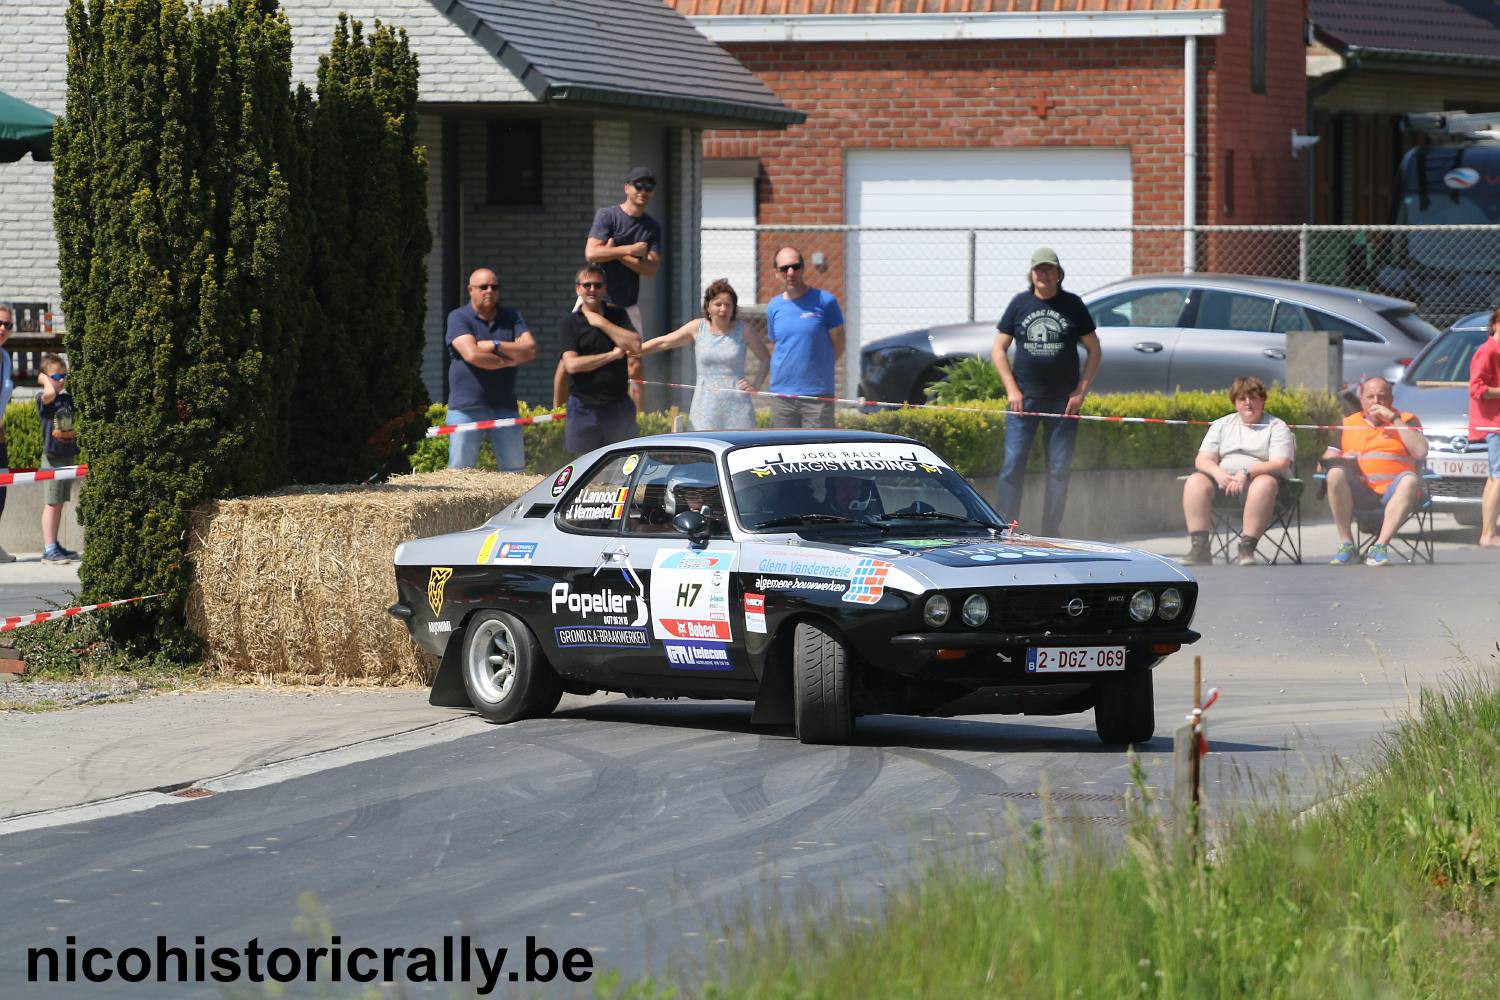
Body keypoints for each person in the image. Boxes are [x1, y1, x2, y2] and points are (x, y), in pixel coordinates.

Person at [991, 247, 1102, 536]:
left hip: (1063, 402)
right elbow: (998, 349)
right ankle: (1007, 529)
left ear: (1058, 273)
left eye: (1049, 269)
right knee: (1013, 466)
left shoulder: (1073, 305)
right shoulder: (1019, 304)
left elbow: (1094, 350)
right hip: (1023, 401)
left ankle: (1051, 530)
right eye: (1039, 269)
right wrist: (1011, 389)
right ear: (1031, 274)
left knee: (1058, 470)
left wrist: (1081, 392)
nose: (1044, 274)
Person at [558, 166, 662, 411]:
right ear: (627, 187)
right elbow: (592, 252)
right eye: (639, 185)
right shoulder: (608, 216)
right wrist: (631, 251)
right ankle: (559, 413)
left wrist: (615, 252)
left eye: (649, 187)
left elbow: (651, 269)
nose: (643, 191)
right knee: (567, 362)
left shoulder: (651, 227)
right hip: (592, 302)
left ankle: (639, 418)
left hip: (626, 304)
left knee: (634, 362)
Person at [1180, 376, 1295, 566]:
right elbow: (1202, 459)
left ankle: (1247, 547)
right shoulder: (1221, 425)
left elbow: (1280, 463)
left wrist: (1246, 473)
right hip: (1223, 485)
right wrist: (1218, 473)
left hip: (1264, 489)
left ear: (1263, 400)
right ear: (1235, 403)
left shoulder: (1277, 427)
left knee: (1265, 483)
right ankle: (1199, 547)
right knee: (1195, 481)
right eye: (1242, 399)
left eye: (1253, 398)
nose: (1248, 403)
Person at [1323, 375, 1428, 566]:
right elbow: (1326, 459)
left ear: (1391, 400)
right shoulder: (1348, 423)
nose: (1376, 402)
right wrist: (1343, 461)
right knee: (1334, 473)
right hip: (1359, 494)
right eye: (1370, 397)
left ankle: (1380, 546)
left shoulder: (1407, 420)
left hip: (1394, 493)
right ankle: (1346, 544)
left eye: (1382, 397)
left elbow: (1420, 451)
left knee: (1410, 480)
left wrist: (1394, 419)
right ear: (1361, 400)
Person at [639, 279, 769, 430]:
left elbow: (765, 358)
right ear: (708, 307)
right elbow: (665, 342)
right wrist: (636, 350)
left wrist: (755, 385)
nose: (723, 309)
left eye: (728, 305)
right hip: (705, 406)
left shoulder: (744, 329)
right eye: (718, 304)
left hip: (738, 406)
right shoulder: (697, 327)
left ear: (734, 308)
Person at [444, 268, 537, 471]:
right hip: (466, 408)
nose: (489, 291)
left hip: (504, 405)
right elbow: (472, 355)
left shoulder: (512, 317)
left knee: (514, 472)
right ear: (470, 289)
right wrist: (509, 360)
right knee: (460, 472)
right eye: (483, 287)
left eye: (494, 287)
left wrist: (495, 344)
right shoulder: (459, 318)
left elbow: (530, 351)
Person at [561, 264, 642, 455]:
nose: (592, 290)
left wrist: (601, 323)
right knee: (584, 468)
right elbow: (572, 364)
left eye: (598, 285)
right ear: (578, 289)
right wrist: (611, 356)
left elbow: (636, 345)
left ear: (605, 288)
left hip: (618, 406)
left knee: (622, 467)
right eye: (587, 285)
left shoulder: (618, 315)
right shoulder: (570, 323)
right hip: (583, 408)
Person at [765, 246, 845, 429]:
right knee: (783, 451)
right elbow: (777, 344)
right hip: (782, 396)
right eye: (784, 268)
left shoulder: (825, 301)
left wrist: (822, 366)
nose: (791, 272)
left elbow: (839, 341)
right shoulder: (773, 306)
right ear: (776, 273)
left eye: (796, 266)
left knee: (818, 452)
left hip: (817, 395)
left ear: (803, 268)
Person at [35, 354, 81, 563]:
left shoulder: (66, 397)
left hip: (67, 456)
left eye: (64, 375)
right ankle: (48, 548)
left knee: (60, 502)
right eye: (56, 375)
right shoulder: (44, 398)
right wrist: (45, 379)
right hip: (52, 459)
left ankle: (55, 543)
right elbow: (49, 392)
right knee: (52, 503)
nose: (61, 380)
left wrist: (55, 378)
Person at [1469, 305, 1500, 547]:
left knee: (1495, 478)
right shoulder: (1487, 351)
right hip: (1494, 424)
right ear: (1495, 324)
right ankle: (1488, 534)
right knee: (1498, 477)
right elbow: (1476, 389)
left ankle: (1488, 532)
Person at [0, 304, 14, 563]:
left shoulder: (5, 358)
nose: (3, 328)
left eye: (8, 325)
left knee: (1, 489)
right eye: (0, 323)